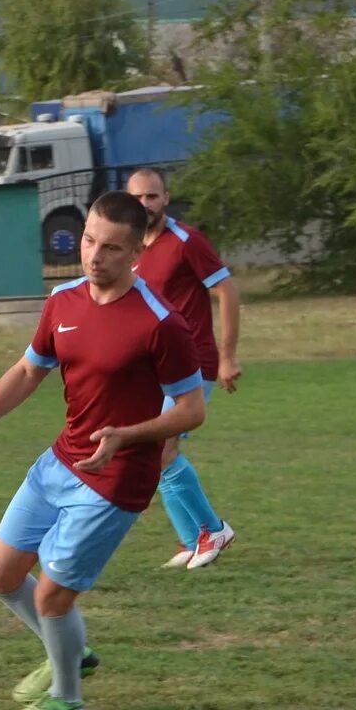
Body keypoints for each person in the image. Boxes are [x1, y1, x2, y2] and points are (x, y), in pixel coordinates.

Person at [0, 191, 206, 710]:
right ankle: (71, 652)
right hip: (60, 462)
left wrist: (127, 435)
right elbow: (29, 372)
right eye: (88, 241)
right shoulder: (63, 301)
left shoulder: (160, 323)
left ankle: (66, 700)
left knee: (52, 599)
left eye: (110, 248)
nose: (94, 256)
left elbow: (192, 410)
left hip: (117, 478)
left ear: (135, 255)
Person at [126, 167, 240, 568]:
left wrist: (227, 356)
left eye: (151, 197)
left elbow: (226, 291)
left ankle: (211, 531)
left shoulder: (187, 241)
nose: (145, 205)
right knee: (154, 451)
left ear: (166, 198)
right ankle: (194, 540)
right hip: (154, 367)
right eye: (137, 198)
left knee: (162, 448)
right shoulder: (132, 249)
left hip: (194, 364)